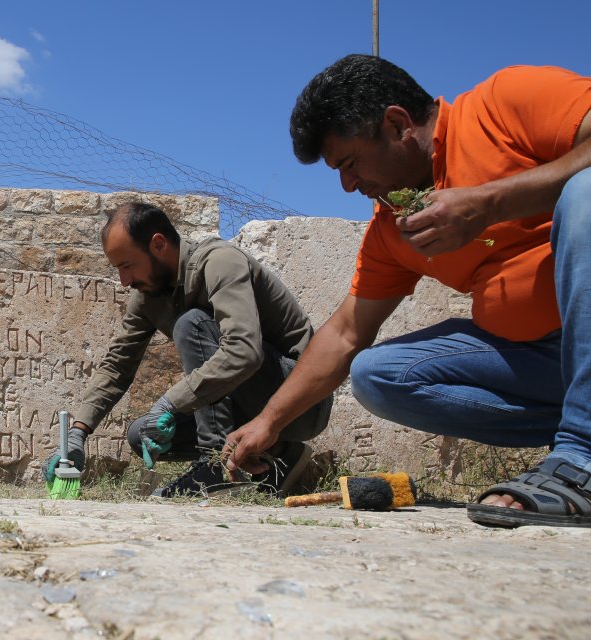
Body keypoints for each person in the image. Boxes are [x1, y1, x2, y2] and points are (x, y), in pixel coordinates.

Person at [224, 55, 591, 528]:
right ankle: (575, 433)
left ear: (397, 124)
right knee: (378, 375)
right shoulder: (392, 229)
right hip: (542, 362)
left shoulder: (506, 102)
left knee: (585, 193)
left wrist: (489, 203)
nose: (347, 185)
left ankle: (581, 459)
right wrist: (268, 422)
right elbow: (346, 332)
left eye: (350, 163)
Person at [44, 202, 332, 497]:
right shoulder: (148, 297)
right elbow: (118, 365)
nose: (124, 281)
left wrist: (169, 403)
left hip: (301, 401)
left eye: (127, 266)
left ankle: (214, 467)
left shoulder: (220, 262)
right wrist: (78, 433)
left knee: (191, 324)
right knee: (141, 434)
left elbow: (244, 351)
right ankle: (281, 456)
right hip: (253, 406)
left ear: (158, 244)